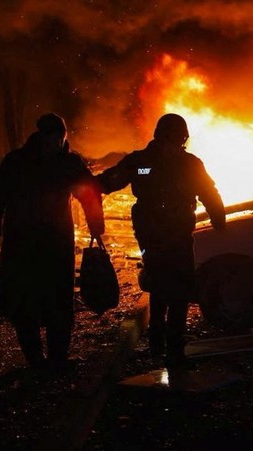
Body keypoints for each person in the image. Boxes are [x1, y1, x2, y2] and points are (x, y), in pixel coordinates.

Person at [97, 113, 226, 369]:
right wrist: (219, 221)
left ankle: (166, 343)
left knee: (170, 285)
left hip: (167, 233)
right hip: (158, 234)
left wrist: (218, 220)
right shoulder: (156, 161)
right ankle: (166, 345)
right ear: (181, 137)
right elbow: (109, 181)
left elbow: (209, 193)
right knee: (168, 284)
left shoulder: (162, 161)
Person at [0, 113, 105, 371]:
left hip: (45, 242)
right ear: (44, 136)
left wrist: (96, 226)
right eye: (54, 138)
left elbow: (89, 193)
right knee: (29, 302)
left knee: (55, 301)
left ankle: (56, 359)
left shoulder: (57, 163)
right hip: (33, 242)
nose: (57, 143)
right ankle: (37, 360)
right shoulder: (23, 161)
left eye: (60, 138)